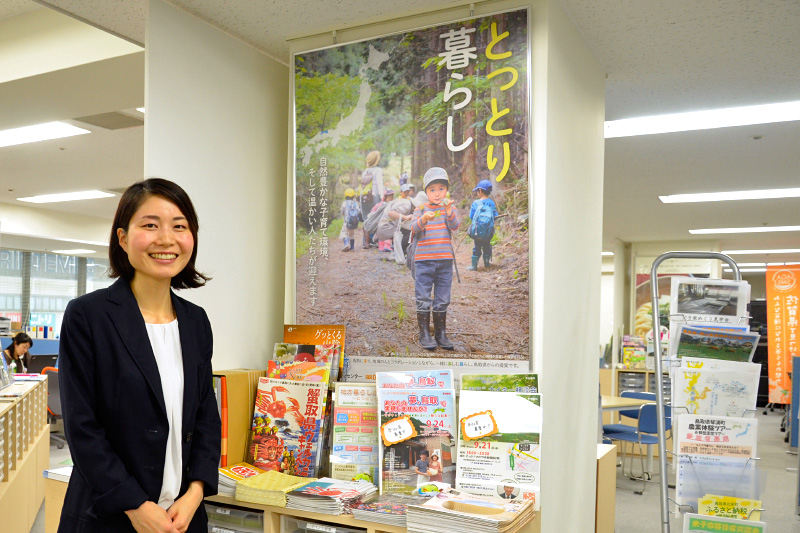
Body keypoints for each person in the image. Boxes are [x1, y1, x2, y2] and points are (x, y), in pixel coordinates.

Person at [58, 178, 221, 533]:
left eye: (179, 226)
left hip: (183, 518)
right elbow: (82, 427)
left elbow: (206, 415)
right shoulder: (89, 315)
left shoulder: (195, 321)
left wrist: (195, 492)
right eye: (150, 225)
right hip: (110, 515)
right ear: (122, 238)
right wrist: (134, 504)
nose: (166, 239)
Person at [411, 167, 459, 351]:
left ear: (446, 190)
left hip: (445, 261)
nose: (437, 193)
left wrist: (448, 210)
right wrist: (423, 218)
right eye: (432, 190)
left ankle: (440, 333)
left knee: (442, 297)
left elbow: (455, 225)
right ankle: (424, 332)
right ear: (426, 192)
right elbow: (414, 228)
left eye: (441, 188)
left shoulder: (449, 208)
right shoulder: (421, 208)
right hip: (423, 262)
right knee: (423, 296)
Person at [467, 179, 500, 271]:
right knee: (487, 246)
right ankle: (486, 263)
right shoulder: (491, 203)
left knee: (477, 246)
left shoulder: (475, 203)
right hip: (488, 231)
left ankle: (474, 266)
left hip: (477, 231)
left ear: (480, 191)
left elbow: (471, 216)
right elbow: (495, 216)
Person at [357, 151, 384, 248]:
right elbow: (380, 184)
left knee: (366, 220)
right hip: (374, 197)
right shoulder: (378, 170)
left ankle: (366, 242)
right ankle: (375, 240)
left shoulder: (366, 171)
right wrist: (382, 197)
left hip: (364, 198)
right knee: (376, 218)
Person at [386, 184, 416, 256]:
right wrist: (405, 217)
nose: (406, 193)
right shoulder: (398, 201)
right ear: (401, 192)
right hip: (399, 224)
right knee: (401, 238)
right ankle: (400, 253)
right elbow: (391, 213)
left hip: (407, 224)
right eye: (404, 192)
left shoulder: (410, 200)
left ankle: (403, 254)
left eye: (407, 192)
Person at [340, 188, 361, 252]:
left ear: (345, 196)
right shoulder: (355, 203)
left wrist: (342, 214)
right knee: (351, 234)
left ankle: (346, 243)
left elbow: (342, 210)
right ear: (353, 196)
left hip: (347, 222)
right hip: (354, 222)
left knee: (344, 233)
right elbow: (358, 211)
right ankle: (352, 247)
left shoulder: (344, 203)